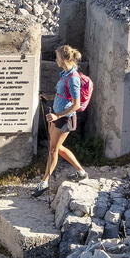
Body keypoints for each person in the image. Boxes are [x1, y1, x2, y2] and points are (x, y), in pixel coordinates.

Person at [35, 45, 89, 196]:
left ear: (64, 59)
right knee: (56, 148)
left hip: (64, 119)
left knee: (53, 150)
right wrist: (49, 97)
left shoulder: (73, 79)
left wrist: (57, 116)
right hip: (57, 116)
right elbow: (62, 95)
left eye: (57, 57)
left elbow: (76, 104)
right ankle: (81, 172)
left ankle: (44, 183)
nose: (55, 59)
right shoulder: (64, 74)